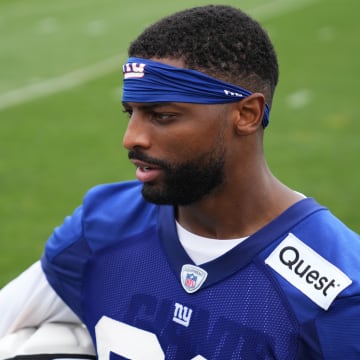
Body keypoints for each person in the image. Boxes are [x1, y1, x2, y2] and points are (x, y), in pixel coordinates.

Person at [0, 4, 359, 359]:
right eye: (131, 113)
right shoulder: (102, 226)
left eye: (163, 115)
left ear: (246, 114)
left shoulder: (338, 290)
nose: (131, 138)